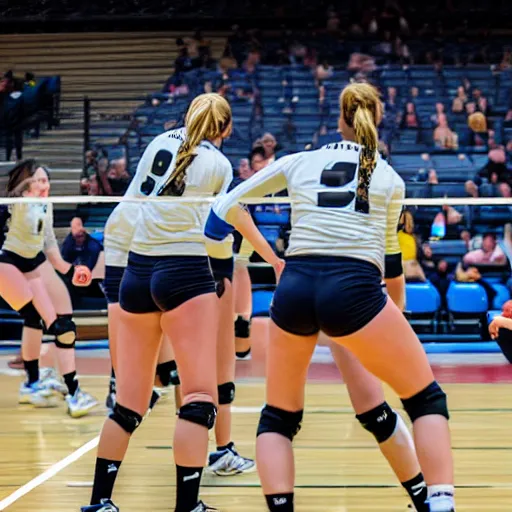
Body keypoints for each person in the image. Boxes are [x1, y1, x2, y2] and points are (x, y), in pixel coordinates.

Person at [205, 83, 455, 512]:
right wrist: (392, 319)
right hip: (354, 293)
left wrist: (267, 257)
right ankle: (440, 503)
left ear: (338, 118)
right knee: (425, 399)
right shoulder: (389, 176)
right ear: (375, 119)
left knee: (279, 419)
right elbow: (391, 270)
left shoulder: (300, 160)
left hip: (296, 287)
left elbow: (223, 209)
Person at [82, 93, 283, 512]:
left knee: (128, 403)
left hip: (136, 270)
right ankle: (187, 506)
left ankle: (100, 501)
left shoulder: (158, 143)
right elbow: (229, 221)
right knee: (197, 398)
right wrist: (273, 260)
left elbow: (132, 208)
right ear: (224, 129)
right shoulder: (219, 164)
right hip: (184, 272)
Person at [0, 160, 88, 407]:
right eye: (39, 180)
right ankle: (37, 383)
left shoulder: (46, 205)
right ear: (26, 184)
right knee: (35, 317)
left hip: (34, 260)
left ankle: (66, 387)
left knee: (65, 323)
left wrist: (71, 271)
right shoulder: (16, 205)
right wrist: (27, 196)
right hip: (7, 260)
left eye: (46, 180)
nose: (45, 185)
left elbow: (49, 245)